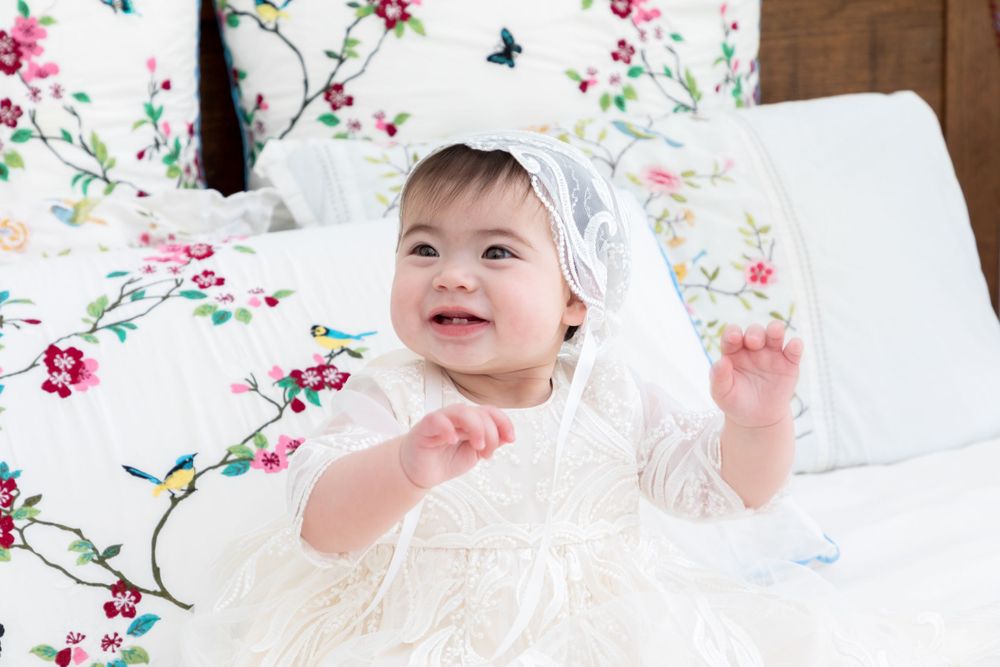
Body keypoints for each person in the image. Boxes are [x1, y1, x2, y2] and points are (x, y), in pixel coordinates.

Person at [181, 131, 1000, 666]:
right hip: (433, 636)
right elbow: (321, 525)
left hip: (613, 631)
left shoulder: (608, 391)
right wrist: (406, 465)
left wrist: (757, 421)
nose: (452, 273)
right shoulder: (395, 393)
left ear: (579, 297)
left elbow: (725, 489)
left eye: (496, 251)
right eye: (423, 248)